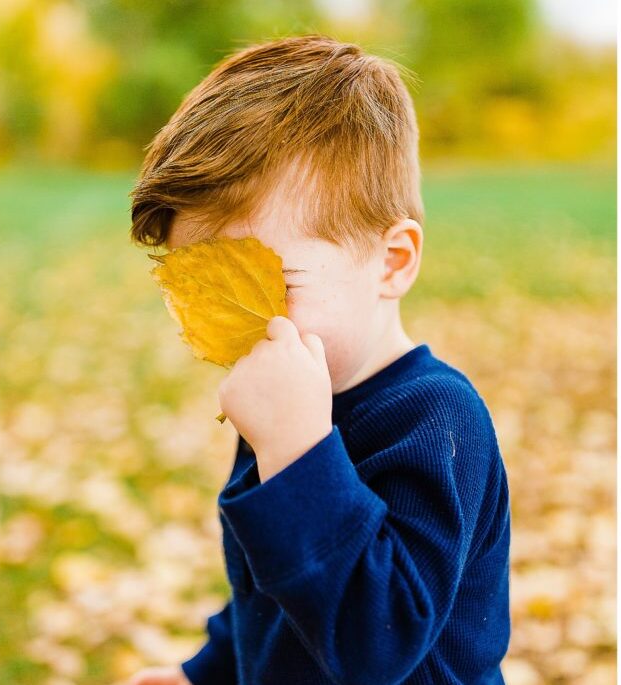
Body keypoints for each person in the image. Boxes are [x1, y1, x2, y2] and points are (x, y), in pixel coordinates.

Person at [127, 33, 511, 685]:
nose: (240, 323)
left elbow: (376, 644)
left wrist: (298, 453)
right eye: (207, 290)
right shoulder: (293, 400)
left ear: (391, 261)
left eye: (269, 283)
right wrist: (206, 671)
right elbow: (272, 589)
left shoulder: (435, 421)